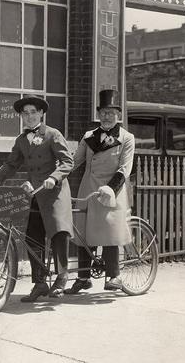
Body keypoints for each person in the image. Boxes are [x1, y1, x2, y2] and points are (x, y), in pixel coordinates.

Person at [0, 95, 73, 301]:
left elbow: (67, 161)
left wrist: (54, 177)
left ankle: (61, 278)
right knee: (32, 236)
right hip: (35, 193)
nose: (29, 116)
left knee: (58, 232)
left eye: (33, 112)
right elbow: (12, 164)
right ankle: (40, 283)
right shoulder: (21, 140)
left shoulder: (53, 134)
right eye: (25, 113)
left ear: (41, 113)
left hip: (55, 191)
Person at [65, 89, 135, 294]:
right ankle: (83, 277)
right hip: (88, 189)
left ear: (118, 116)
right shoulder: (89, 137)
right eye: (103, 112)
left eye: (111, 112)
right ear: (99, 114)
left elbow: (124, 169)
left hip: (112, 190)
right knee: (83, 233)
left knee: (109, 231)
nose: (106, 116)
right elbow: (75, 162)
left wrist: (111, 189)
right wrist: (56, 175)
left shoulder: (127, 138)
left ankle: (114, 275)